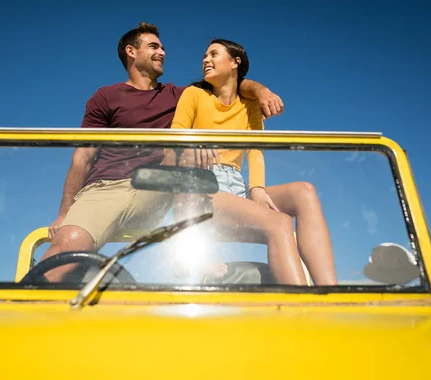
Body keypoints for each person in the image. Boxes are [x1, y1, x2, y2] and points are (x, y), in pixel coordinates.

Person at [41, 23, 285, 282]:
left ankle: (194, 258)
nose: (163, 52)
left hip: (159, 187)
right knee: (70, 242)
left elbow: (230, 83)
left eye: (163, 47)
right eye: (154, 46)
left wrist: (261, 92)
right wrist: (64, 212)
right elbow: (83, 157)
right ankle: (26, 306)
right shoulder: (106, 96)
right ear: (131, 51)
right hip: (107, 188)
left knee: (188, 152)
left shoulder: (179, 95)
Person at [169, 39, 338, 286]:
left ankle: (331, 293)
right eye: (205, 56)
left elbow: (255, 150)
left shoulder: (249, 105)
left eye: (214, 54)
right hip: (201, 186)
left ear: (235, 62)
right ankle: (305, 307)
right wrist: (192, 145)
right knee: (279, 222)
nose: (206, 60)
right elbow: (174, 136)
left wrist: (256, 188)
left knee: (304, 192)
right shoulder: (194, 94)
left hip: (236, 186)